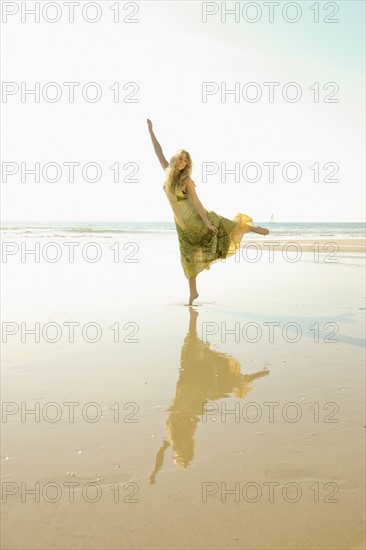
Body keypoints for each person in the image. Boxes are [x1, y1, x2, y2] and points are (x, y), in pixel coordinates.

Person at [147, 119, 269, 305]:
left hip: (196, 218)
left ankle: (249, 228)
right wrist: (151, 131)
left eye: (185, 160)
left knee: (222, 228)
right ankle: (193, 293)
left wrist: (206, 222)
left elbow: (196, 201)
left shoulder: (186, 181)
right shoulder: (167, 171)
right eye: (180, 158)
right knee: (187, 255)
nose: (182, 162)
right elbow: (158, 151)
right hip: (182, 225)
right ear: (175, 159)